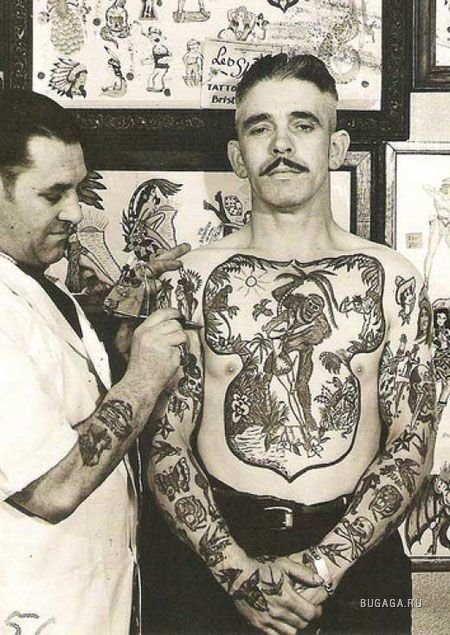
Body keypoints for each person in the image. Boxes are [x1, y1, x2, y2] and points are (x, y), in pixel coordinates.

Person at [145, 53, 437, 634]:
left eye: (303, 124)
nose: (281, 144)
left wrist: (324, 566)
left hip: (357, 561)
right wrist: (237, 573)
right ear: (238, 156)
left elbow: (413, 443)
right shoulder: (191, 279)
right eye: (261, 128)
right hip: (216, 555)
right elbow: (163, 442)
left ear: (336, 147)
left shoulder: (395, 279)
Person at [0, 89, 190, 634]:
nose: (75, 212)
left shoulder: (40, 285)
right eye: (52, 194)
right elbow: (52, 490)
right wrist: (145, 377)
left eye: (78, 189)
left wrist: (121, 345)